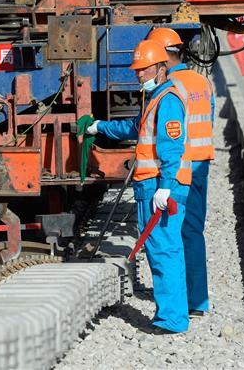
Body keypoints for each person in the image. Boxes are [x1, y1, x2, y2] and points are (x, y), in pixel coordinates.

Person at [87, 39, 191, 333]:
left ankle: (171, 320)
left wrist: (166, 187)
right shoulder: (154, 100)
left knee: (164, 252)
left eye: (143, 70)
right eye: (136, 70)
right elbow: (134, 129)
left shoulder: (168, 100)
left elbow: (172, 146)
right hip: (152, 187)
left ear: (160, 68)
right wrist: (99, 127)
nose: (138, 75)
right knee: (166, 250)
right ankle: (173, 316)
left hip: (160, 187)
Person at [146, 27, 214, 317]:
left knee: (169, 237)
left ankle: (175, 308)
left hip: (180, 169)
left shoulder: (171, 89)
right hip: (201, 165)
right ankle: (197, 301)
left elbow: (170, 136)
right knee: (193, 233)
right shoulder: (201, 81)